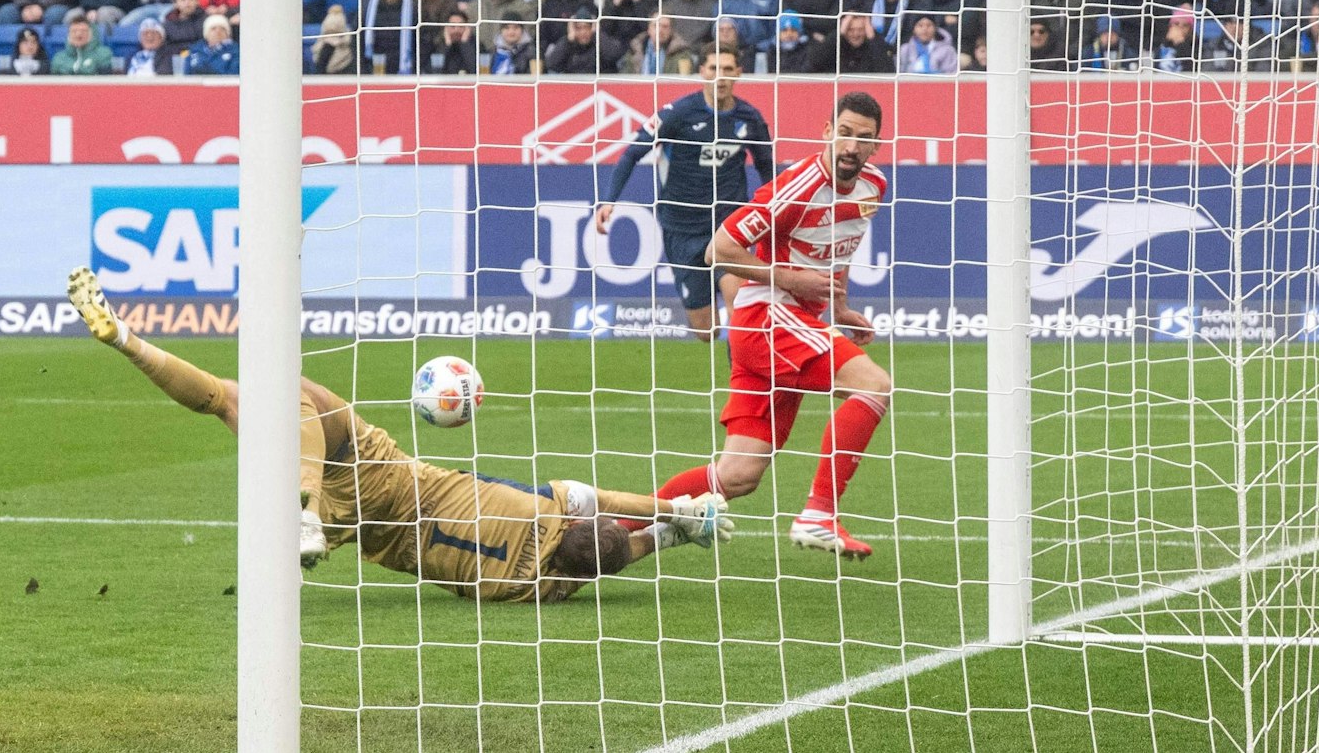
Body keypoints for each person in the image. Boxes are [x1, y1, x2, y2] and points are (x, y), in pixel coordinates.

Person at [65, 266, 732, 600]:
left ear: (574, 533)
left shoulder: (546, 515)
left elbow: (603, 503)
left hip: (396, 484)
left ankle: (302, 510)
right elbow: (612, 550)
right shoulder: (535, 588)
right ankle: (124, 337)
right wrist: (670, 535)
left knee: (293, 394)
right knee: (235, 403)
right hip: (371, 532)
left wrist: (676, 514)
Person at [651, 93, 891, 559]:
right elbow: (717, 250)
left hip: (792, 325)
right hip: (767, 318)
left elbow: (835, 249)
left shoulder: (873, 187)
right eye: (845, 132)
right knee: (873, 387)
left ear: (876, 145)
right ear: (827, 130)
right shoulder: (796, 186)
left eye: (864, 139)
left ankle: (619, 525)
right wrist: (790, 278)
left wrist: (839, 309)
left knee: (737, 475)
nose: (852, 146)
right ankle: (819, 514)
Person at [594, 49, 773, 342]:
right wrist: (609, 200)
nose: (721, 77)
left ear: (739, 73)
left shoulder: (750, 118)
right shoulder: (677, 114)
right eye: (714, 68)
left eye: (728, 69)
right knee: (706, 330)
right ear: (702, 71)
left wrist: (776, 209)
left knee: (738, 305)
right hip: (683, 229)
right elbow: (631, 154)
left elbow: (766, 166)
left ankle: (745, 382)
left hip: (727, 226)